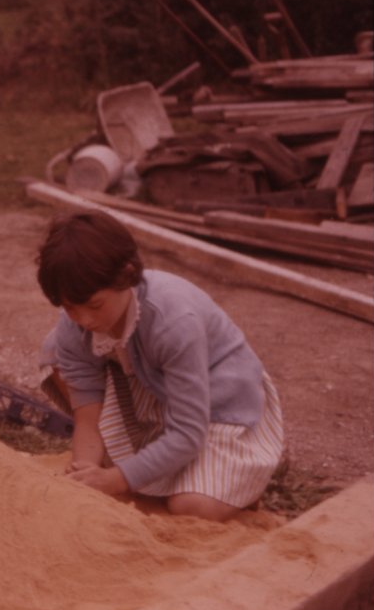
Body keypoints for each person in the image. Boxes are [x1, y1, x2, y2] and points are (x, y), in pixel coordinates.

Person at [35, 210, 285, 521]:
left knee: (191, 506)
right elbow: (88, 418)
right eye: (70, 307)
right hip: (157, 394)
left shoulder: (173, 322)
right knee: (55, 350)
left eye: (95, 305)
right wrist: (87, 471)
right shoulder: (74, 326)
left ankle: (240, 477)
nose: (84, 319)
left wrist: (116, 480)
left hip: (220, 406)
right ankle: (174, 469)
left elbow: (188, 431)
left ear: (127, 275)